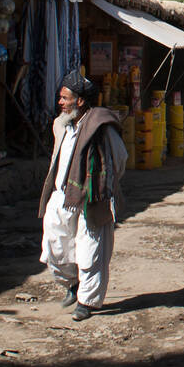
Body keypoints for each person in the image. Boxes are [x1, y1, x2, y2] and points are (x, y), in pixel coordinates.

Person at [38, 71, 128, 322]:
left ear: (79, 101)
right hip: (62, 197)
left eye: (64, 98)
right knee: (54, 246)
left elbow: (120, 160)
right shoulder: (62, 124)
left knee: (91, 252)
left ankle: (87, 301)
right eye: (60, 97)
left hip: (92, 197)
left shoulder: (101, 125)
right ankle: (72, 285)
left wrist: (101, 186)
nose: (60, 102)